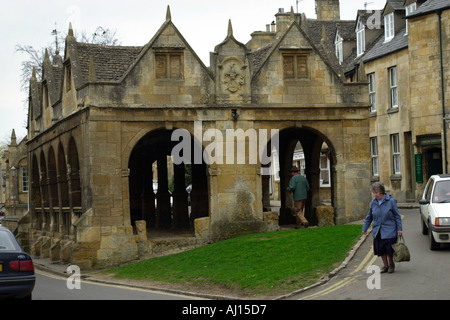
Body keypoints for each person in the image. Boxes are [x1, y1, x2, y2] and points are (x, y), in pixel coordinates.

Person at [363, 182, 403, 273]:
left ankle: (391, 264)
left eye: (376, 192)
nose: (375, 194)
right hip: (378, 230)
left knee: (389, 249)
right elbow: (369, 216)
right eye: (374, 192)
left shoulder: (391, 201)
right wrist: (365, 227)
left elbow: (397, 216)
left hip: (389, 230)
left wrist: (399, 229)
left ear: (381, 192)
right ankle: (385, 266)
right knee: (381, 249)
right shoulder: (373, 202)